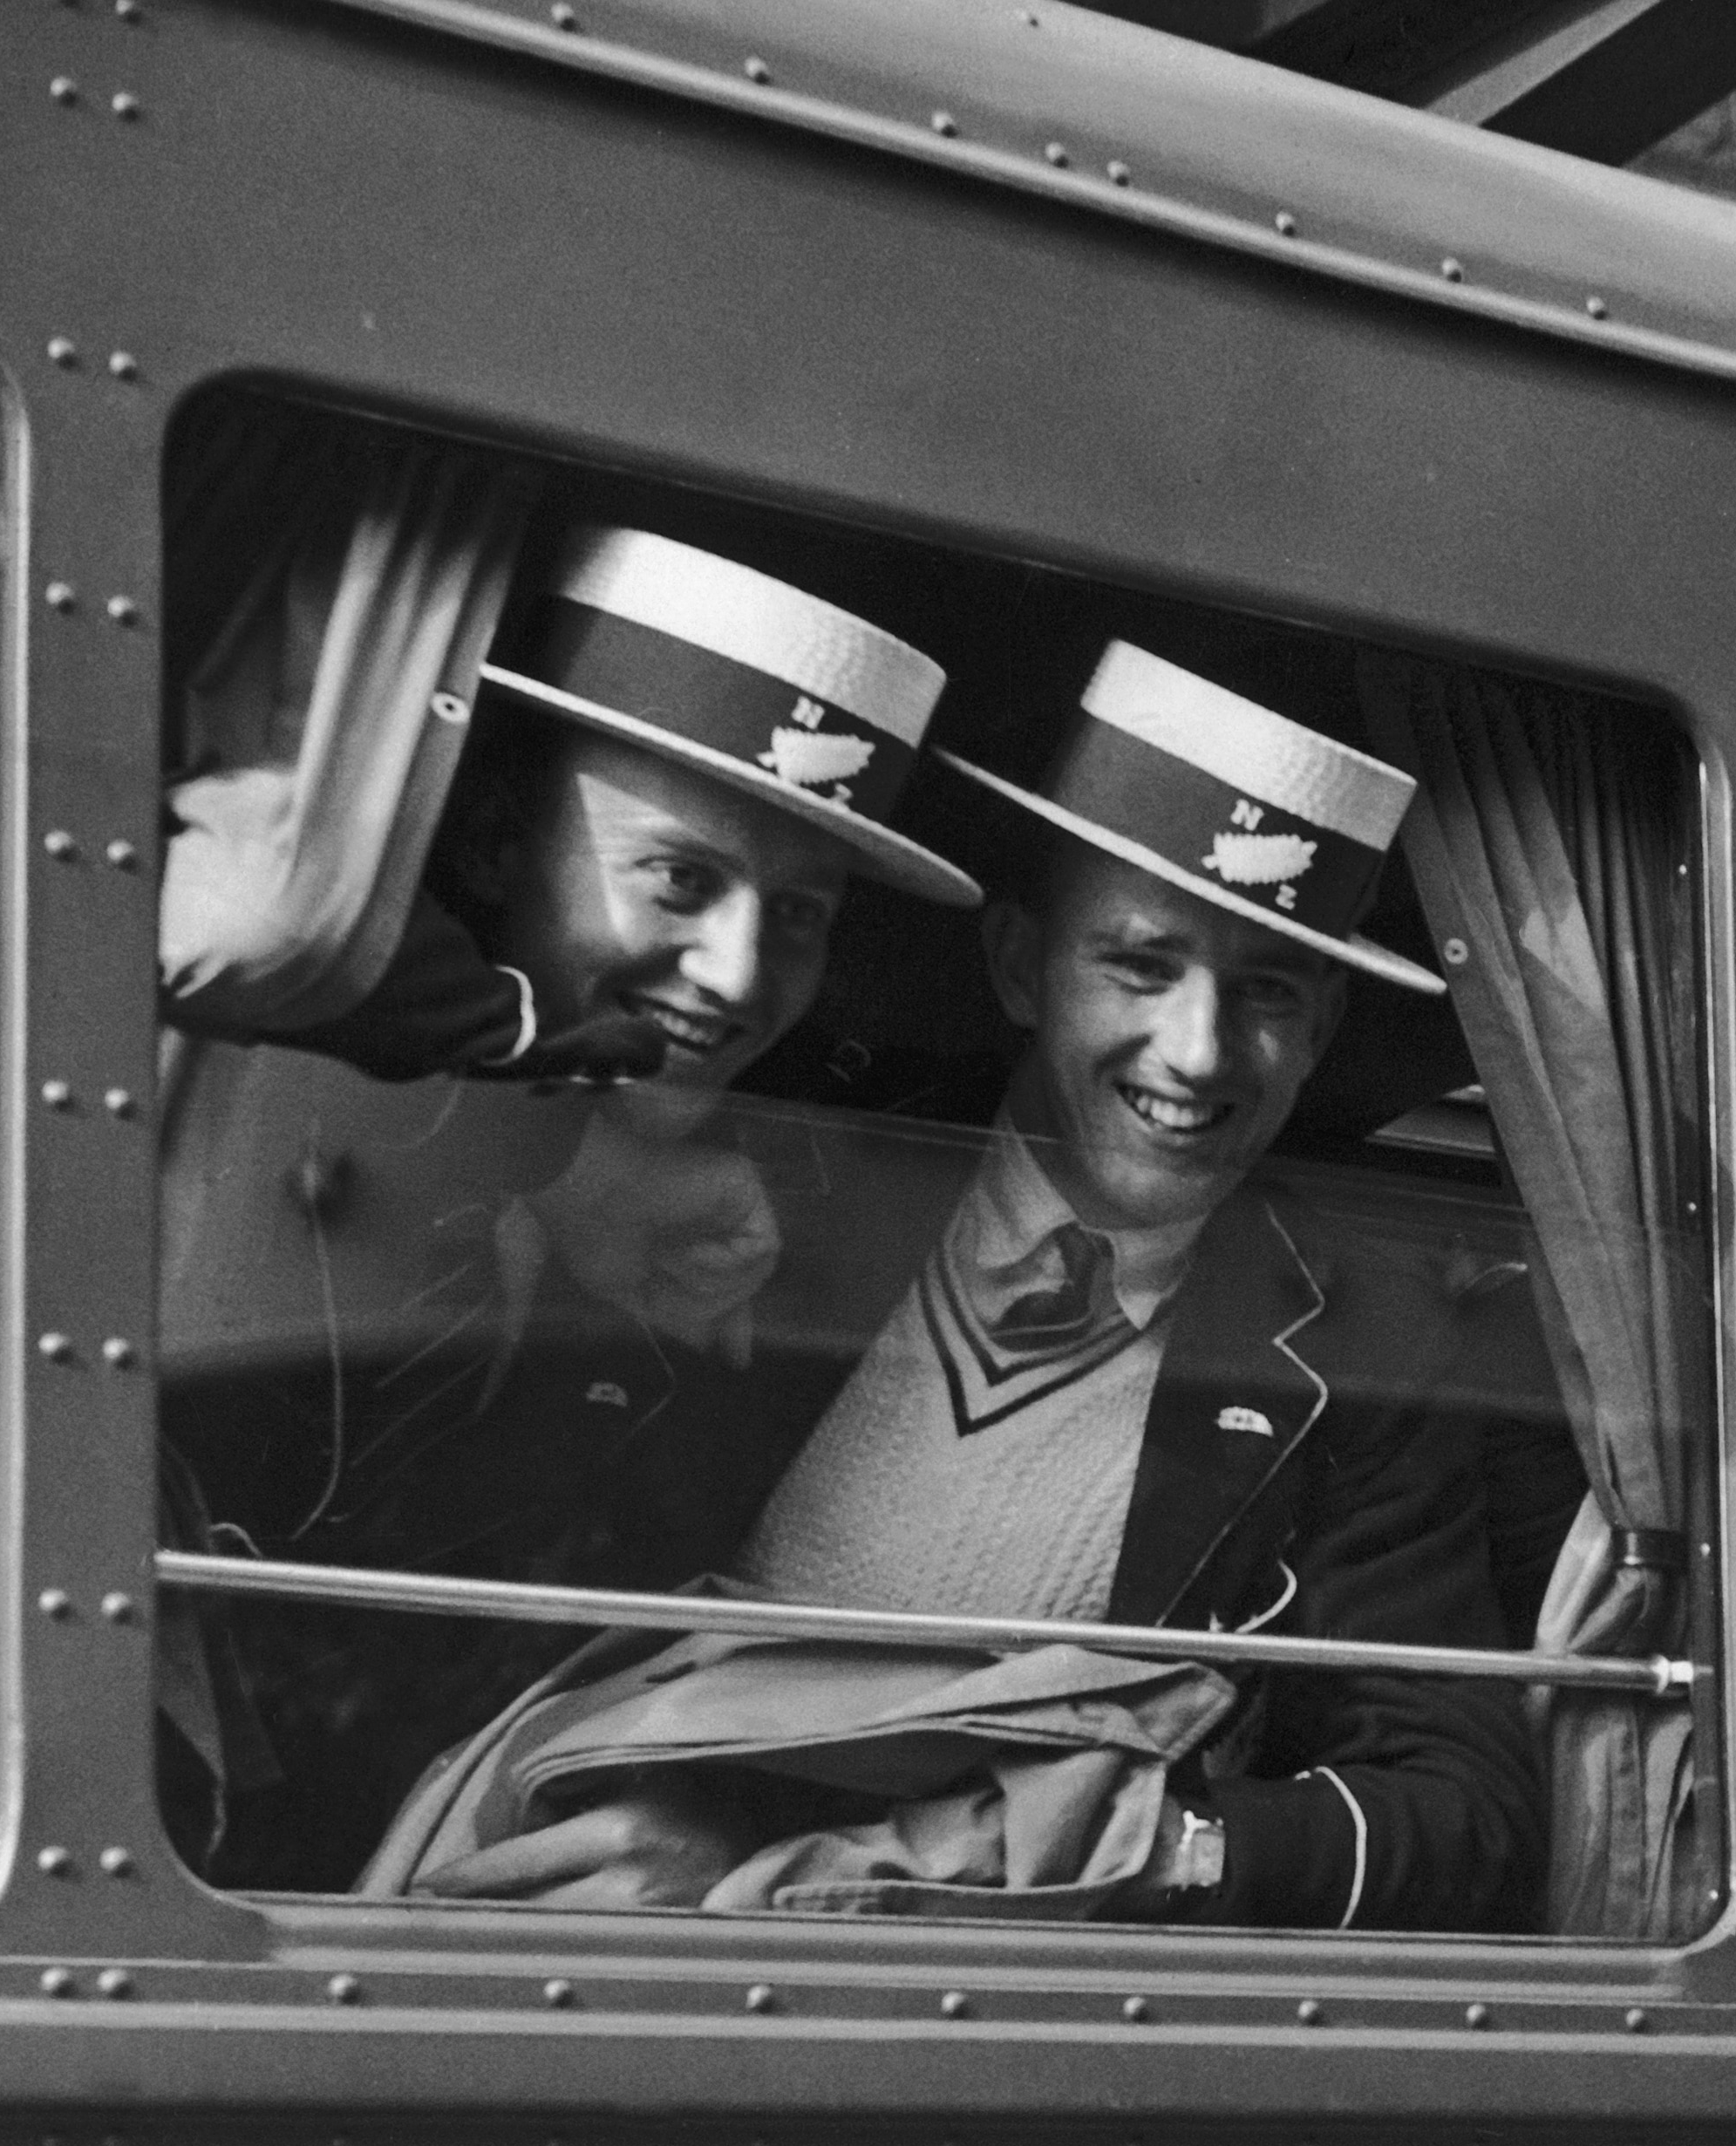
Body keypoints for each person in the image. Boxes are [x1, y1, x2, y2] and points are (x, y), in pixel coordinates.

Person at [397, 639, 1537, 1930]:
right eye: (1143, 963)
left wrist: (930, 1854)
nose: (1203, 1050)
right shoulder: (774, 1164)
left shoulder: (1366, 1337)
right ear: (1016, 965)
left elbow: (1463, 1816)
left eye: (1268, 991)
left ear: (1323, 1028)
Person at [160, 528, 982, 1882]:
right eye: (679, 877)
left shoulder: (752, 1230)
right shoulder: (251, 1109)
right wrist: (555, 1151)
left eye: (799, 914)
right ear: (489, 839)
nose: (734, 975)